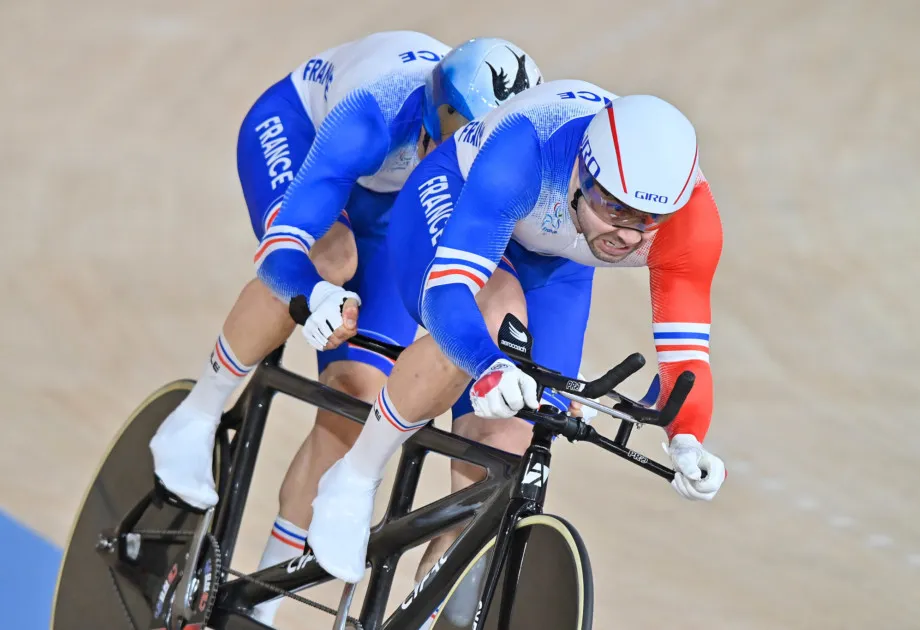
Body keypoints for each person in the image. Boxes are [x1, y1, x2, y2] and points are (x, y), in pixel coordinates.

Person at [147, 30, 542, 624]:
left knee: (352, 398)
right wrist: (314, 294)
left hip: (382, 200)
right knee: (329, 256)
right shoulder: (372, 117)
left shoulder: (481, 158)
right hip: (301, 139)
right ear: (440, 116)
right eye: (468, 143)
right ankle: (197, 414)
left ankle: (261, 605)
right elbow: (283, 252)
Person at [305, 79, 729, 587]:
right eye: (615, 208)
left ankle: (430, 605)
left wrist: (686, 437)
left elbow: (687, 355)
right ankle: (353, 477)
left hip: (557, 254)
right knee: (491, 316)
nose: (629, 235)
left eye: (650, 220)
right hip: (461, 198)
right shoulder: (526, 150)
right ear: (582, 173)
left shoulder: (692, 220)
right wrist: (487, 366)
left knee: (508, 442)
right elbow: (448, 295)